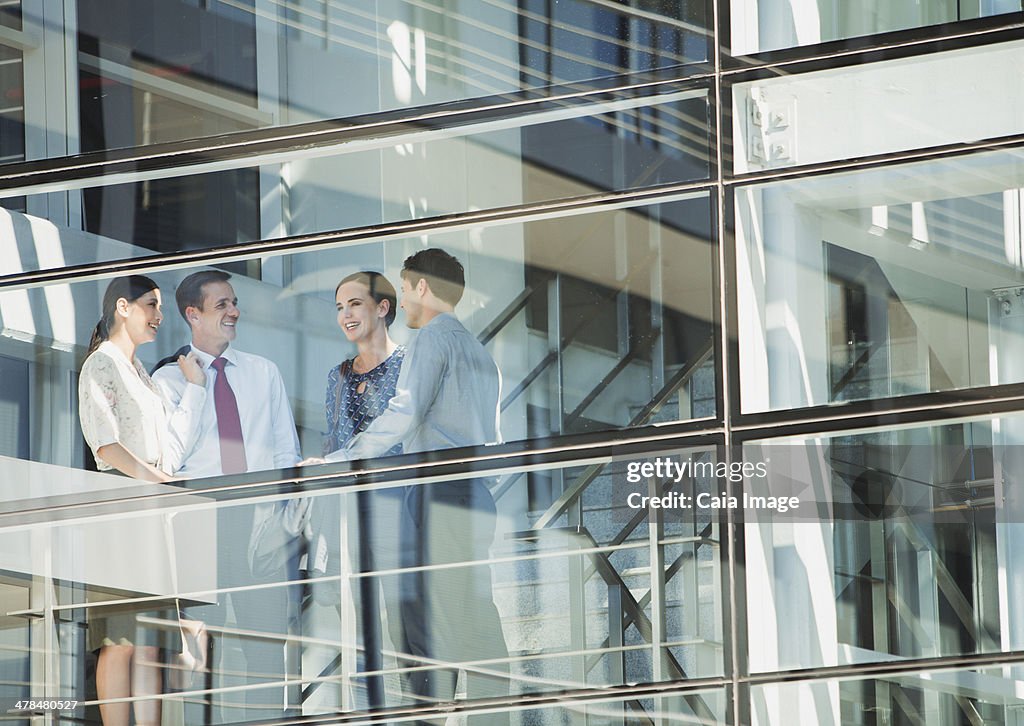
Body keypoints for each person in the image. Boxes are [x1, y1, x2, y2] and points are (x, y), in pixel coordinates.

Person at [320, 249, 509, 724]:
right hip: (475, 493)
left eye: (404, 289)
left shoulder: (430, 341)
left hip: (437, 489)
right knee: (467, 600)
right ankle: (486, 705)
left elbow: (404, 414)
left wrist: (341, 458)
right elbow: (496, 441)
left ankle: (431, 715)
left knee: (433, 611)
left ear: (422, 287)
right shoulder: (481, 352)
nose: (403, 301)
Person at [151, 269, 304, 720]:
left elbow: (285, 451)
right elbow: (169, 460)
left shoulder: (263, 372)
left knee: (264, 643)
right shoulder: (167, 381)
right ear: (192, 314)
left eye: (234, 302)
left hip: (259, 517)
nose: (234, 311)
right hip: (201, 516)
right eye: (222, 305)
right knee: (197, 647)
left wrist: (282, 516)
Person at [78, 274, 207, 726]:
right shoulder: (102, 364)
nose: (158, 316)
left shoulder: (142, 377)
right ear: (122, 307)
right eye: (150, 305)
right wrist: (159, 482)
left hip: (151, 514)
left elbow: (169, 448)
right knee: (119, 640)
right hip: (119, 511)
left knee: (150, 637)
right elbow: (106, 446)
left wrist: (194, 389)